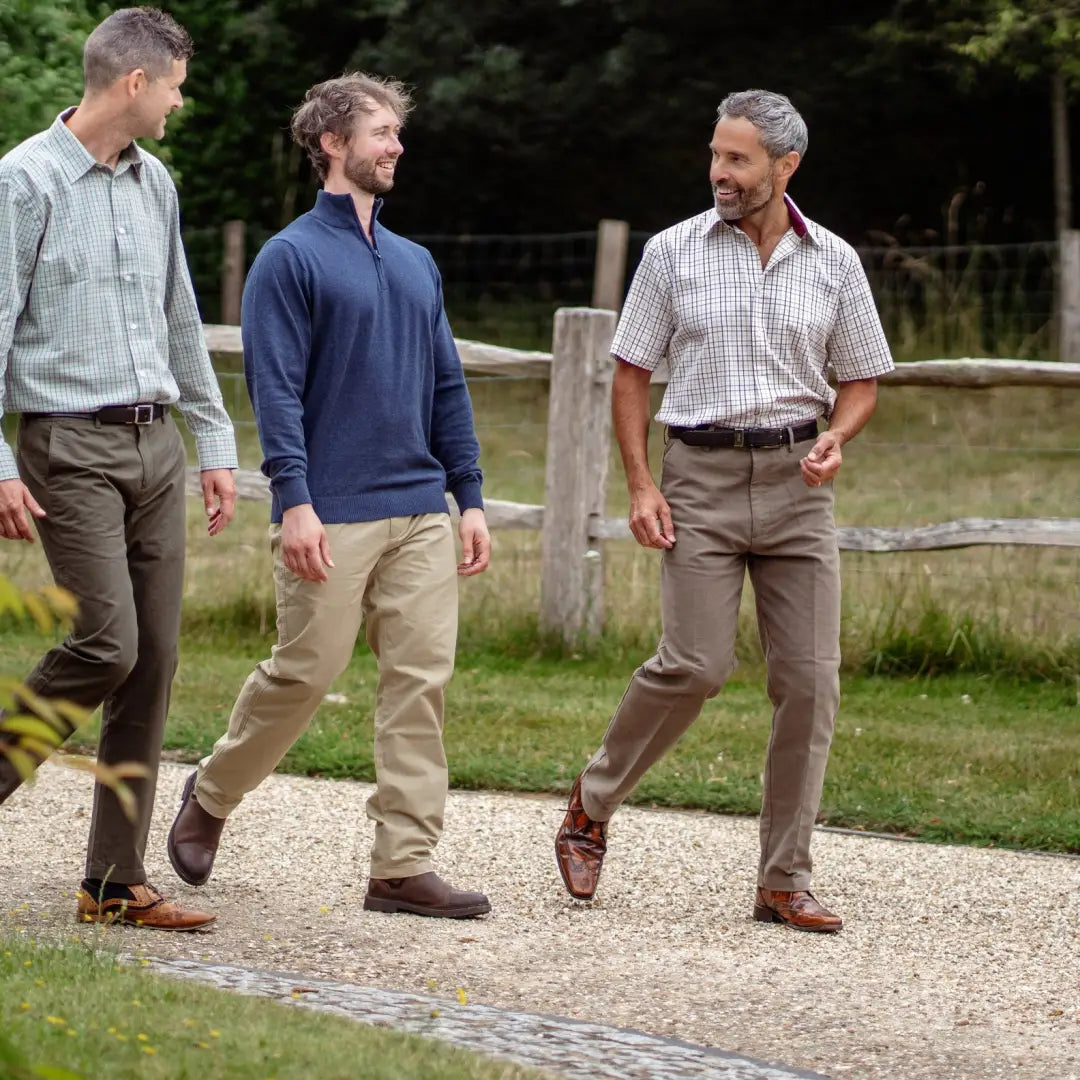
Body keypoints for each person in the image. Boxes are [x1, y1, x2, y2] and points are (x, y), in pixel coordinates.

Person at [555, 89, 894, 932]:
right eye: (716, 155)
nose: (720, 172)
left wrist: (839, 435)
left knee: (811, 684)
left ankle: (784, 879)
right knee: (697, 665)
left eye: (738, 159)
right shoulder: (673, 253)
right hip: (698, 481)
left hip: (798, 487)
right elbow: (630, 372)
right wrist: (640, 483)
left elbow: (861, 378)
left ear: (786, 166)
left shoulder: (835, 261)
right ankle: (591, 804)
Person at [167, 73, 492, 919]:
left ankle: (401, 865)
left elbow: (447, 389)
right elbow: (274, 391)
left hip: (422, 506)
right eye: (381, 132)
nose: (396, 146)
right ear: (333, 144)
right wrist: (296, 499)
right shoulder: (291, 257)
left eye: (396, 133)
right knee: (306, 671)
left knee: (420, 681)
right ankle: (211, 792)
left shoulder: (417, 264)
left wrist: (472, 496)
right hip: (332, 508)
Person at [0, 7, 237, 931]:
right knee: (107, 644)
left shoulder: (157, 184)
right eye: (176, 84)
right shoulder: (22, 183)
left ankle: (113, 881)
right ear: (135, 83)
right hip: (67, 446)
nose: (181, 100)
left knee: (154, 662)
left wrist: (212, 441)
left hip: (156, 446)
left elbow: (182, 318)